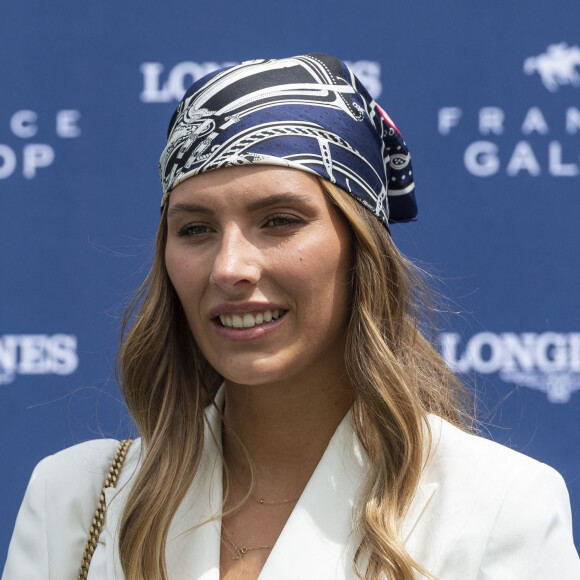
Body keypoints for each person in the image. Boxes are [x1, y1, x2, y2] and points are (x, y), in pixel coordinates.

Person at [2, 53, 579, 580]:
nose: (229, 267)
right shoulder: (76, 499)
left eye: (279, 220)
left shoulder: (498, 504)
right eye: (195, 229)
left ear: (361, 249)